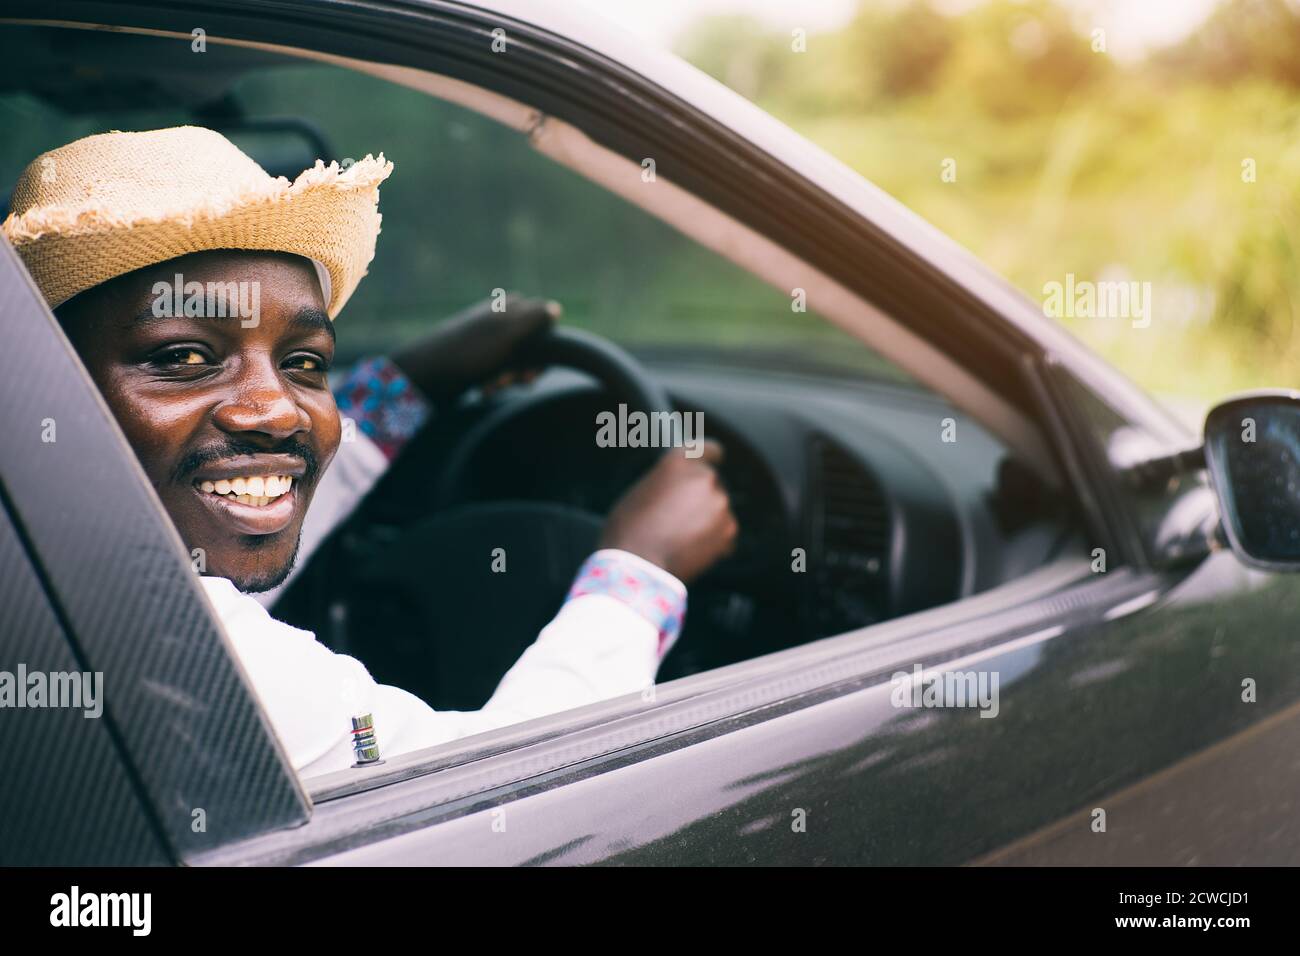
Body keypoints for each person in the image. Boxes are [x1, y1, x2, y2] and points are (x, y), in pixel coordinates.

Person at [3, 126, 737, 776]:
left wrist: (411, 382)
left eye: (305, 362)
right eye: (186, 356)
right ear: (35, 387)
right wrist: (642, 567)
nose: (277, 412)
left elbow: (210, 512)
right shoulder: (191, 654)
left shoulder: (57, 573)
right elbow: (499, 788)